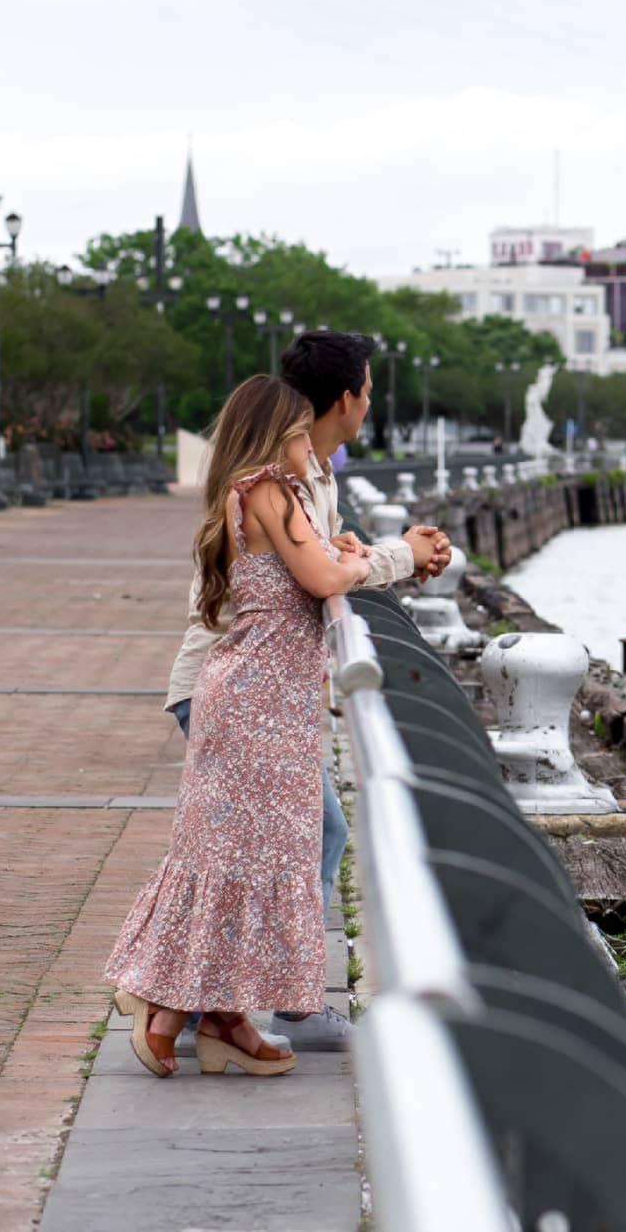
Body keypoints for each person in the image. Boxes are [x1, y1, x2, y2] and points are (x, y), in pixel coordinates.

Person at [162, 330, 450, 1050]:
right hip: (234, 686)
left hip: (254, 687)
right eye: (370, 392)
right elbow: (320, 575)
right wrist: (399, 556)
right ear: (346, 399)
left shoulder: (307, 479)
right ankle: (264, 1004)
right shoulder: (280, 483)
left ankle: (212, 1005)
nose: (370, 405)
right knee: (307, 834)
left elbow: (324, 561)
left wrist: (369, 554)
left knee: (268, 842)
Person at [107, 375, 369, 1077]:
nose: (306, 441)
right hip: (257, 700)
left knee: (239, 854)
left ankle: (219, 1018)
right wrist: (363, 557)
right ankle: (170, 1015)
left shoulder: (248, 492)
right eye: (297, 428)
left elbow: (307, 568)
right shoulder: (269, 492)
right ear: (277, 427)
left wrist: (337, 553)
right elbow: (323, 581)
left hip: (260, 697)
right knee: (242, 858)